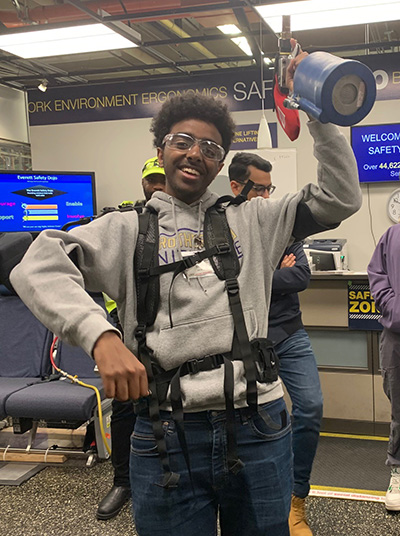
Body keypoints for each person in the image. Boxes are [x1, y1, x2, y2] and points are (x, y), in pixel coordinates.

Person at [10, 45, 362, 536]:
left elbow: (341, 196)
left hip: (259, 424)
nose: (196, 152)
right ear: (161, 150)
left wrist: (315, 107)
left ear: (221, 165)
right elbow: (37, 265)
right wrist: (100, 336)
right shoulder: (124, 228)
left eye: (212, 147)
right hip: (165, 434)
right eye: (182, 141)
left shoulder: (257, 220)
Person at [229, 152, 323, 536]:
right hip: (246, 339)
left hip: (289, 333)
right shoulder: (224, 227)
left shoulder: (282, 225)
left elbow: (300, 274)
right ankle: (255, 498)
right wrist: (269, 271)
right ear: (236, 187)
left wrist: (255, 275)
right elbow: (224, 283)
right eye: (260, 189)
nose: (268, 196)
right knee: (254, 421)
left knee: (311, 407)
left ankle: (296, 501)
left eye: (271, 188)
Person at [97, 157, 166, 521]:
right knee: (125, 405)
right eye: (151, 180)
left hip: (172, 331)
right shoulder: (125, 224)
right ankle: (123, 481)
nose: (156, 185)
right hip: (127, 327)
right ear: (143, 183)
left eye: (161, 179)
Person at [368, 223, 400, 512]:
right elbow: (376, 276)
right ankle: (399, 472)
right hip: (397, 336)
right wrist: (394, 309)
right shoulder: (392, 236)